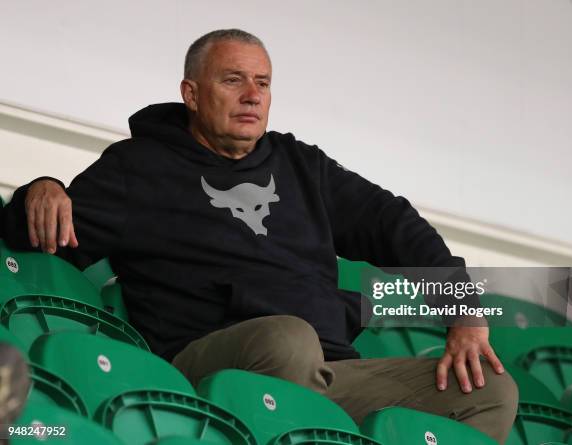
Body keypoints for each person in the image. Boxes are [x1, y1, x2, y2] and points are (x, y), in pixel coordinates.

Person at [1, 29, 518, 443]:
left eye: (263, 83)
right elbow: (44, 233)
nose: (252, 96)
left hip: (329, 374)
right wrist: (42, 187)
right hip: (209, 364)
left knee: (491, 389)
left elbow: (393, 222)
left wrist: (463, 308)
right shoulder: (140, 168)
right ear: (191, 93)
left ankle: (320, 423)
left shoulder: (301, 165)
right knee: (287, 337)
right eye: (232, 80)